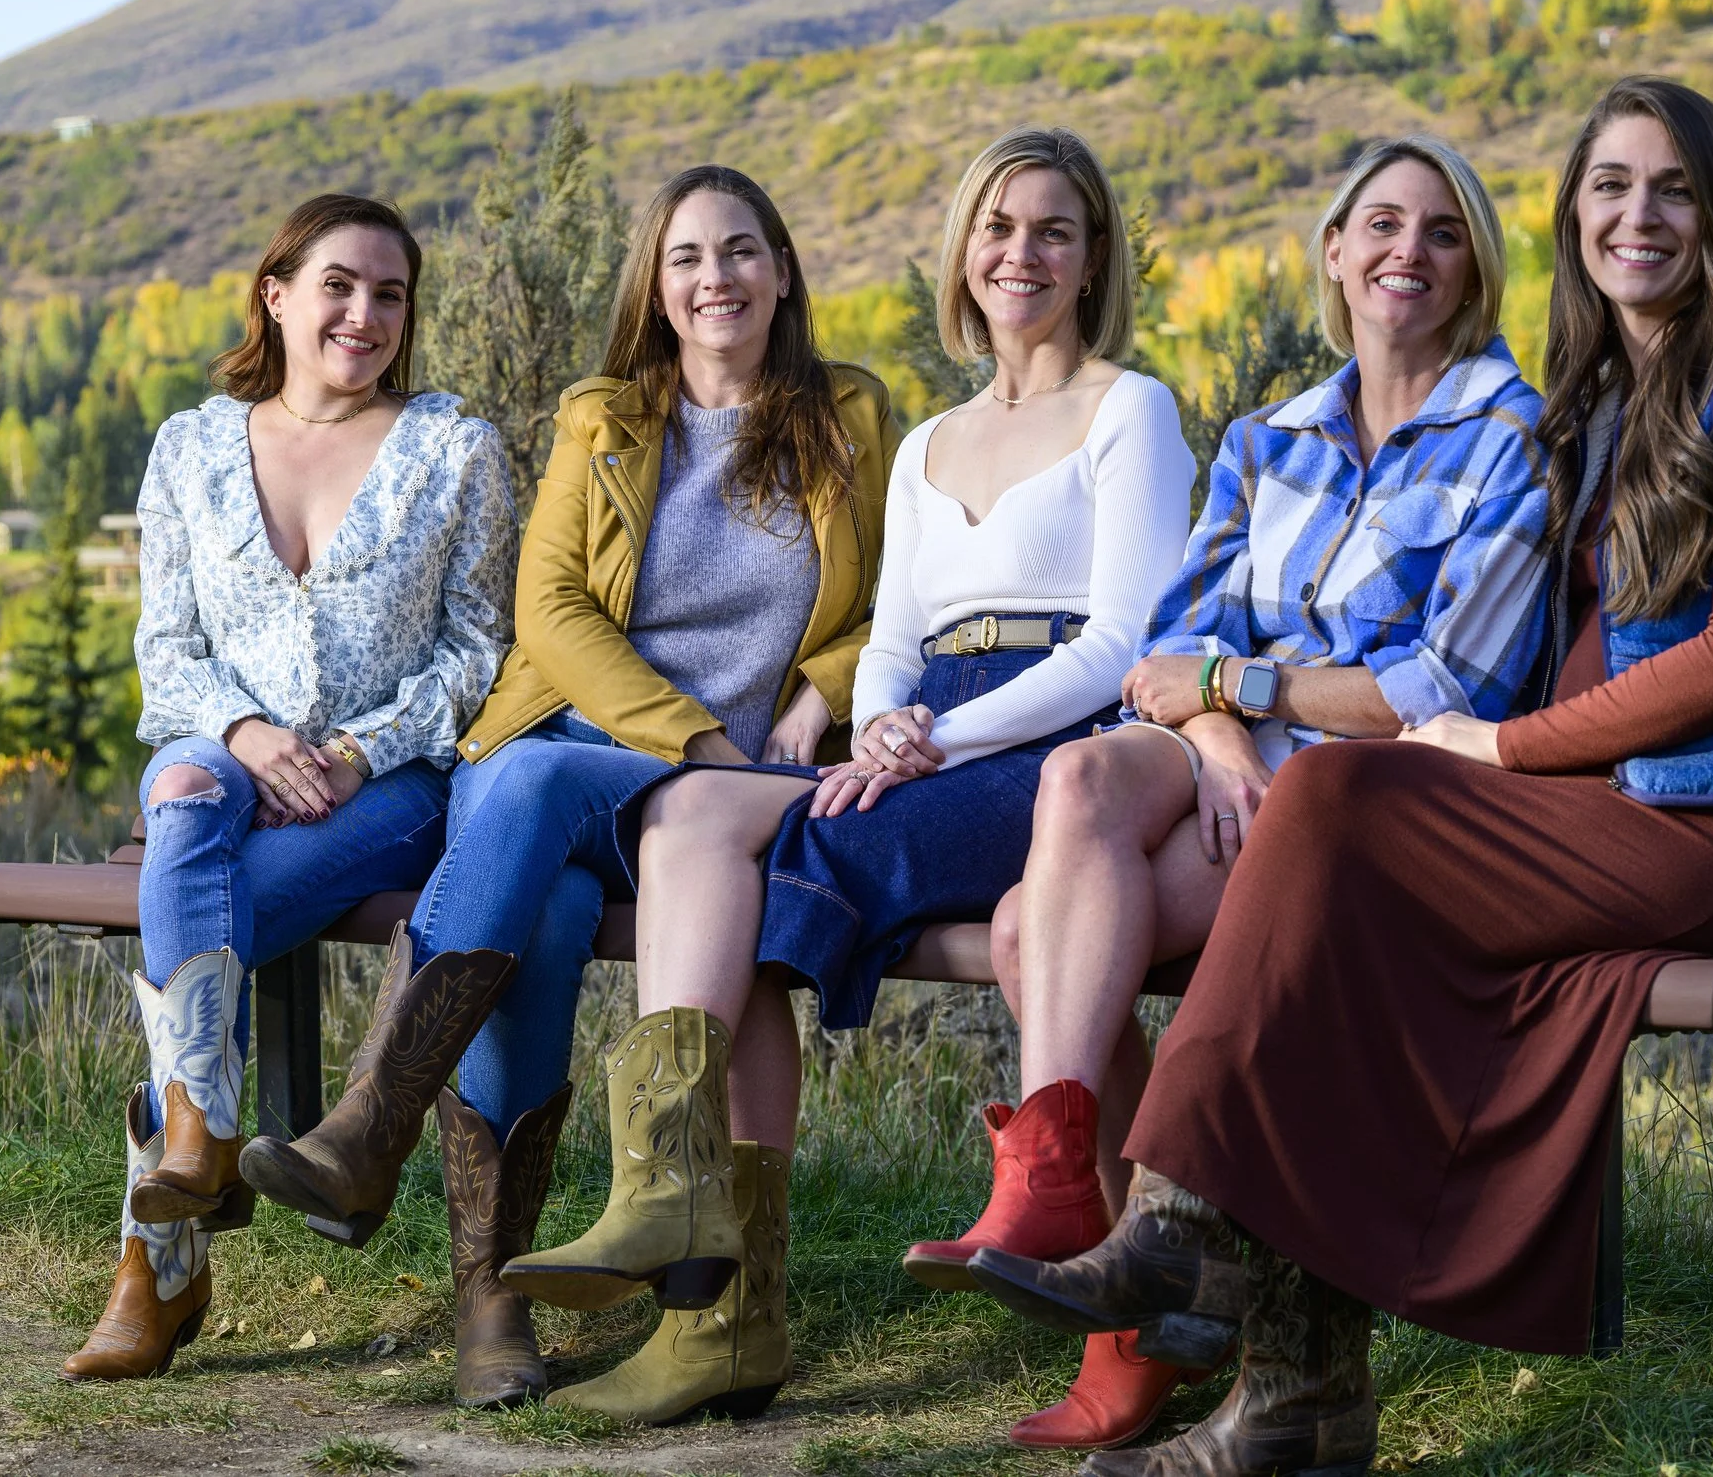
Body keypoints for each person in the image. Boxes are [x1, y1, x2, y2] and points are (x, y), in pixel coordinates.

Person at [968, 76, 1713, 1477]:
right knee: (1343, 878)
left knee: (1344, 797)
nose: (1636, 216)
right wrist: (1251, 715)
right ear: (1574, 213)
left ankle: (1180, 1223)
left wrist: (1501, 748)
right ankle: (1292, 1401)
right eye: (1609, 187)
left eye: (1672, 189)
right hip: (1630, 813)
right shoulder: (1626, 402)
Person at [501, 126, 1196, 1425]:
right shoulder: (929, 438)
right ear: (962, 255)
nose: (1021, 253)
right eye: (997, 228)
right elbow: (888, 639)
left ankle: (1125, 1311)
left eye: (1053, 228)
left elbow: (1122, 642)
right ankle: (674, 1204)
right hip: (927, 733)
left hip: (1067, 739)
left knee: (776, 877)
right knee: (701, 808)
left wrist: (941, 740)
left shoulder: (1128, 406)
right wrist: (882, 723)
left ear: (1094, 251)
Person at [926, 136, 1553, 1452]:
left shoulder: (1513, 438)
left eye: (1441, 231)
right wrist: (1221, 732)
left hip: (1373, 801)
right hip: (1233, 766)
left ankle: (1137, 1300)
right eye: (1379, 223)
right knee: (1087, 768)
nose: (1406, 251)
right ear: (1334, 252)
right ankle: (1077, 1211)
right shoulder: (1275, 435)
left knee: (1028, 931)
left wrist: (1238, 690)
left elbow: (1431, 687)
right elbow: (1170, 646)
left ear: (1475, 266)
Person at [237, 166, 893, 1410]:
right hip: (581, 747)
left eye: (741, 251)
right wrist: (692, 735)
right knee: (533, 896)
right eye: (688, 256)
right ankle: (496, 1302)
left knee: (527, 791)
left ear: (784, 270)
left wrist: (809, 699)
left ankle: (373, 1130)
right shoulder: (604, 414)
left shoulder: (846, 415)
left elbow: (888, 604)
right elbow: (549, 609)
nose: (717, 278)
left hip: (713, 795)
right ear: (657, 280)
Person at [63, 194, 515, 1382]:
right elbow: (167, 649)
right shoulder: (193, 447)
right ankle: (198, 1146)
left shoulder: (453, 447)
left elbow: (477, 647)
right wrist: (252, 734)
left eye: (390, 292)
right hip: (223, 754)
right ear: (277, 293)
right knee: (188, 794)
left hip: (392, 783)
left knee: (186, 888)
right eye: (339, 284)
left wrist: (361, 750)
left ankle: (158, 1256)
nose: (365, 313)